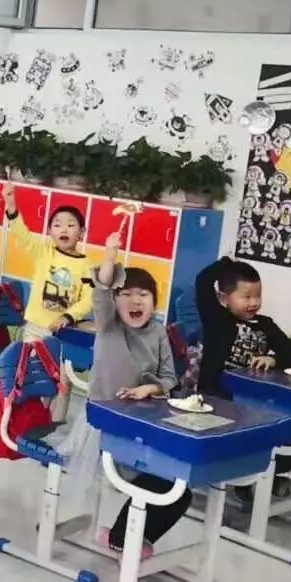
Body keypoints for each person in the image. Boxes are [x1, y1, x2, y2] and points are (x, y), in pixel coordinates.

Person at [90, 232, 190, 557]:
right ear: (114, 302)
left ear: (154, 301)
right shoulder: (108, 327)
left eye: (143, 295)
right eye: (127, 294)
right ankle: (121, 537)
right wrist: (110, 255)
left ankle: (132, 538)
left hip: (146, 424)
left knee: (180, 490)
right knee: (158, 481)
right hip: (106, 425)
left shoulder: (158, 331)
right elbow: (102, 288)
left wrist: (150, 387)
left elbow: (169, 378)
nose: (135, 301)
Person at [195, 256, 291, 497]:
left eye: (257, 296)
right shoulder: (217, 319)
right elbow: (203, 281)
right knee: (239, 445)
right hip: (216, 405)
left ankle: (252, 481)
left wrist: (273, 360)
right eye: (246, 296)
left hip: (254, 407)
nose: (253, 303)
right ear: (224, 299)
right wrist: (226, 263)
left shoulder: (266, 325)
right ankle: (246, 484)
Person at [1, 181, 93, 336]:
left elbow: (88, 300)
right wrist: (10, 203)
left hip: (62, 331)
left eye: (71, 226)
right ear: (50, 231)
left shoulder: (87, 266)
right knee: (29, 353)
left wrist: (68, 316)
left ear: (82, 233)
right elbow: (21, 234)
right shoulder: (43, 252)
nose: (64, 230)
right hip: (33, 328)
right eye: (57, 225)